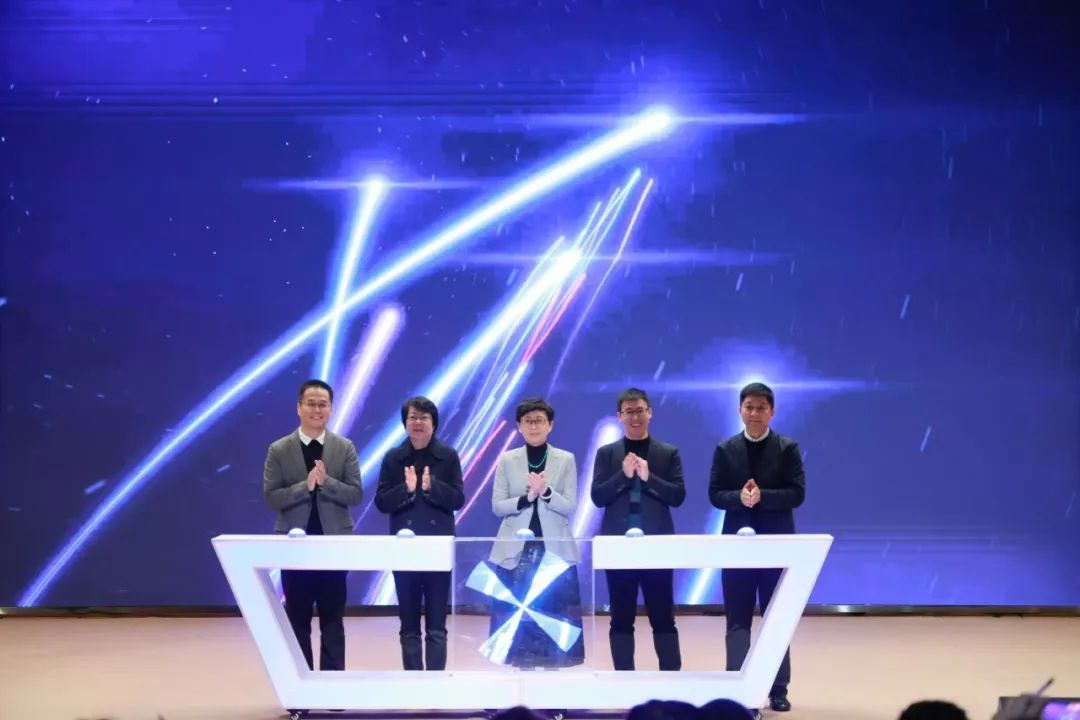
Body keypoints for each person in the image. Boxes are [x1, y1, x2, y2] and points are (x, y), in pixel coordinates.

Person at [708, 382, 806, 713]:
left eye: (761, 408)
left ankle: (778, 688)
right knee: (737, 619)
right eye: (749, 407)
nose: (754, 413)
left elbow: (797, 493)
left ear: (772, 412)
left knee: (775, 618)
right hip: (737, 547)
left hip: (776, 546)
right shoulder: (725, 449)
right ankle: (737, 687)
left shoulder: (787, 448)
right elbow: (715, 493)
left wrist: (764, 496)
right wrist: (738, 497)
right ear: (740, 410)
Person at [262, 379, 362, 671]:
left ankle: (333, 685)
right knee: (297, 618)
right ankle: (301, 684)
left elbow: (355, 494)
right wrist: (304, 487)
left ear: (330, 409)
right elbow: (271, 497)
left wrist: (326, 482)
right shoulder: (279, 449)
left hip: (334, 545)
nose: (317, 410)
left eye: (323, 404)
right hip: (295, 547)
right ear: (299, 407)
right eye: (311, 404)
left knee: (333, 619)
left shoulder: (344, 447)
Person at [591, 387, 685, 671]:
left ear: (650, 413)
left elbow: (677, 496)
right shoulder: (606, 454)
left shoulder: (668, 453)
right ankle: (624, 681)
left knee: (663, 617)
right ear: (620, 416)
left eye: (640, 411)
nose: (635, 417)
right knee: (621, 618)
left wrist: (648, 477)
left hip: (657, 546)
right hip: (618, 546)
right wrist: (623, 476)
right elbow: (598, 497)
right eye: (629, 412)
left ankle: (671, 680)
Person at [488, 397, 584, 667]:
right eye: (528, 421)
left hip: (553, 548)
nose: (534, 426)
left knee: (553, 613)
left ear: (550, 425)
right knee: (515, 615)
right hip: (515, 549)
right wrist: (526, 498)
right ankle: (519, 674)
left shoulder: (565, 459)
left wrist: (546, 492)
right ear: (519, 426)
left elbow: (569, 506)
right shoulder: (507, 459)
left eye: (539, 421)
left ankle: (554, 675)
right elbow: (497, 506)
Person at [375, 395, 464, 670]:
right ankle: (413, 680)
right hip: (404, 549)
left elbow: (458, 500)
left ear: (433, 423)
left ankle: (435, 681)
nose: (418, 423)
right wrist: (407, 489)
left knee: (437, 624)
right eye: (412, 417)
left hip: (437, 549)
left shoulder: (448, 456)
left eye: (424, 418)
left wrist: (431, 486)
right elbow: (381, 502)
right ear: (405, 423)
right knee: (409, 624)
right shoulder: (393, 458)